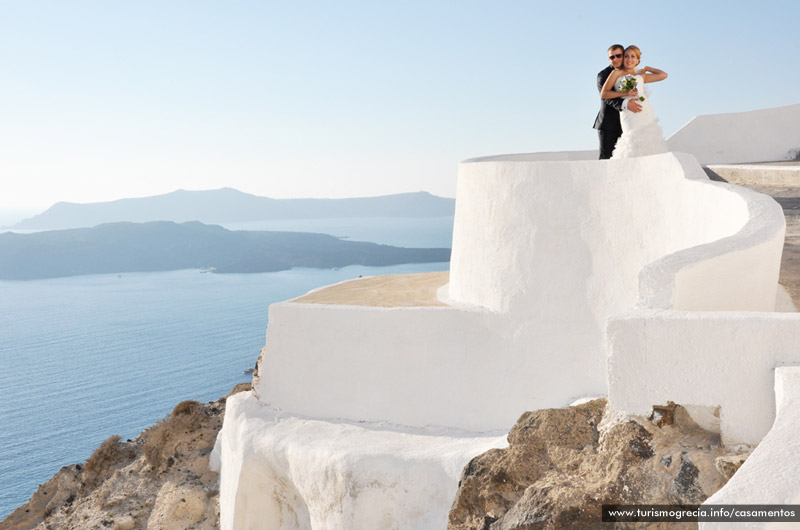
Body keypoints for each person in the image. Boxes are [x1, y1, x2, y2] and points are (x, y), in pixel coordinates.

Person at [600, 45, 668, 158]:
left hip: (645, 111)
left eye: (633, 56)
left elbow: (663, 75)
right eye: (626, 56)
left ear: (637, 60)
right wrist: (625, 94)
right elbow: (604, 93)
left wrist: (647, 68)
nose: (629, 59)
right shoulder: (616, 73)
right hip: (629, 112)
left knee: (649, 139)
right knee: (631, 139)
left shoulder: (641, 75)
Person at [593, 44, 642, 159]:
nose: (615, 59)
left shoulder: (631, 72)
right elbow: (605, 97)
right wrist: (625, 103)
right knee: (606, 158)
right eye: (612, 57)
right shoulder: (603, 75)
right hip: (608, 124)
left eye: (618, 56)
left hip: (627, 122)